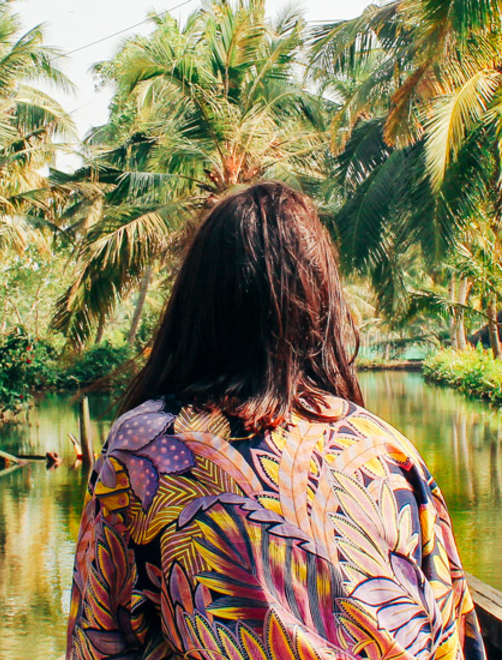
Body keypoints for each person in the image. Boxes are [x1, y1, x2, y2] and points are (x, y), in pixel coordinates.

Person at [66, 182, 485, 660]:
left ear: (197, 304)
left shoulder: (147, 446)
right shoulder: (388, 452)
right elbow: (454, 636)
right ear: (320, 303)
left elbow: (98, 640)